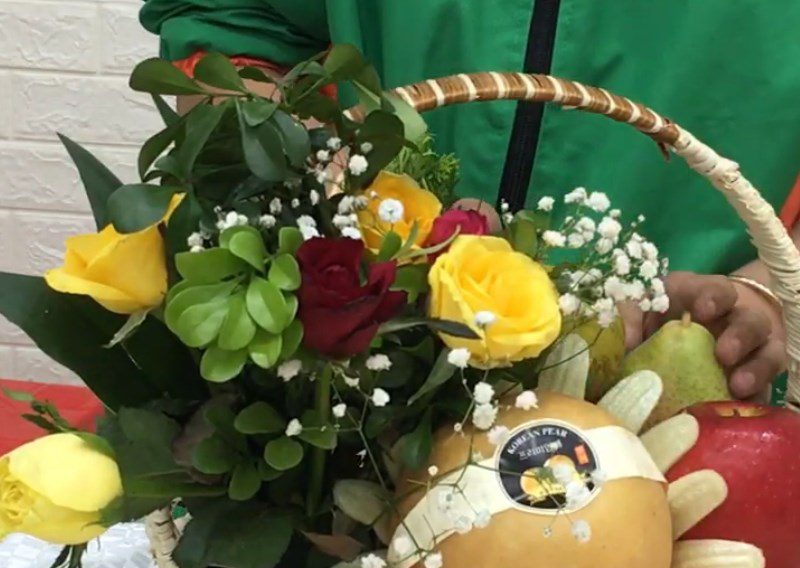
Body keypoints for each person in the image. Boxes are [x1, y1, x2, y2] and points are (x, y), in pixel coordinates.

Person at [139, 0, 800, 402]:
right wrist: (305, 209)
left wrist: (772, 288)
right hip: (352, 385)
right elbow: (235, 24)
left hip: (704, 413)